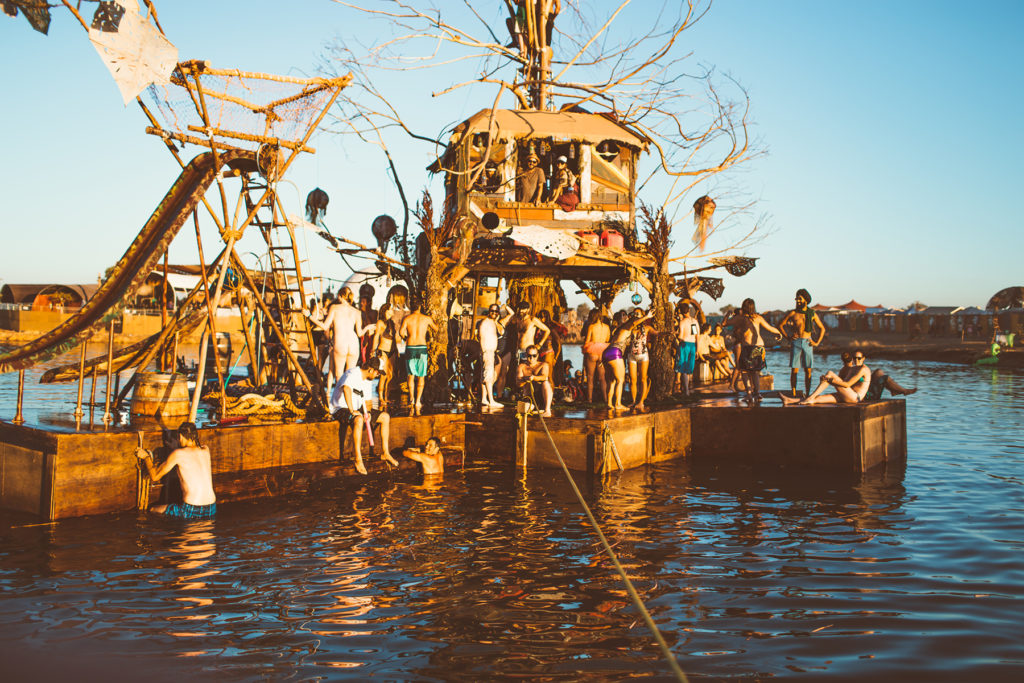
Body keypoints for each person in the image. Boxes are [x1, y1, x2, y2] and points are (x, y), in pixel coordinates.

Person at [135, 422, 216, 519]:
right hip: (211, 508)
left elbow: (155, 476)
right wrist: (176, 447)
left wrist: (146, 457)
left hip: (191, 509)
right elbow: (190, 453)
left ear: (181, 437)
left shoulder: (178, 454)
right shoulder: (205, 450)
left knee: (153, 510)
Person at [332, 357, 398, 474]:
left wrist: (368, 412)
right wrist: (352, 411)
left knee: (385, 417)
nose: (378, 375)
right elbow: (346, 389)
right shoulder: (352, 373)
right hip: (340, 408)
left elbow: (367, 402)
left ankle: (385, 453)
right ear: (371, 370)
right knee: (358, 419)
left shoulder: (368, 380)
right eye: (377, 372)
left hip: (357, 408)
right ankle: (358, 459)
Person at [304, 287, 371, 390]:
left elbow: (324, 326)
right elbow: (359, 333)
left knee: (339, 376)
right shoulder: (357, 312)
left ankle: (338, 401)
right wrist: (368, 328)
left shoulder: (334, 308)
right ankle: (348, 401)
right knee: (350, 376)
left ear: (340, 296)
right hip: (353, 344)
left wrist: (309, 316)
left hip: (341, 343)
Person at [726, 298, 782, 402]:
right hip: (760, 347)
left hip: (748, 346)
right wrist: (779, 333)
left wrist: (728, 314)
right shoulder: (758, 317)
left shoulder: (741, 318)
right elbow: (769, 327)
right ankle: (757, 393)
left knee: (744, 371)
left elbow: (724, 323)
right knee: (755, 372)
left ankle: (749, 393)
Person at [778, 288, 827, 396]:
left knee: (808, 371)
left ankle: (808, 394)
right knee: (794, 371)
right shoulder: (793, 313)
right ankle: (794, 394)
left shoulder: (812, 313)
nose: (797, 301)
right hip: (796, 342)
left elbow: (822, 328)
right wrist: (788, 337)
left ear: (806, 300)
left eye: (800, 299)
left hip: (808, 343)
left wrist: (817, 342)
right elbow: (780, 325)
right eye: (797, 299)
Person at [604, 309, 654, 410]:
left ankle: (609, 403)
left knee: (612, 381)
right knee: (620, 380)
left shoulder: (618, 328)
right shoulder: (627, 326)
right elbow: (634, 322)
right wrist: (646, 317)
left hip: (607, 352)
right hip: (615, 352)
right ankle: (618, 404)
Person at [782, 351, 870, 405]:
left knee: (830, 373)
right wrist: (828, 381)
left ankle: (810, 397)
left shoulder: (864, 369)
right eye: (854, 358)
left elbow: (847, 385)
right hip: (847, 395)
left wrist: (830, 380)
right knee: (817, 399)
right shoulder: (853, 368)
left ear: (863, 358)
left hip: (855, 398)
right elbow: (842, 383)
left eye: (859, 358)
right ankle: (789, 400)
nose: (856, 360)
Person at [399, 304, 437, 410]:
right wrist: (434, 319)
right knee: (421, 375)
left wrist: (406, 337)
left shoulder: (407, 318)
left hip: (410, 347)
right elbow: (436, 329)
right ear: (420, 306)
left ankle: (411, 398)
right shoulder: (426, 319)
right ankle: (418, 401)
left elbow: (401, 332)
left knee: (410, 375)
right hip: (421, 347)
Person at [477, 300, 514, 407]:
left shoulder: (494, 323)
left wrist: (504, 306)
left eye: (496, 311)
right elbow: (481, 337)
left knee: (485, 376)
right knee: (488, 375)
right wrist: (484, 351)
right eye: (492, 311)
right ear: (489, 311)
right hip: (487, 352)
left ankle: (484, 399)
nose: (494, 312)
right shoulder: (485, 323)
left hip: (490, 352)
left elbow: (510, 316)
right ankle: (492, 401)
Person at [626, 307, 657, 410]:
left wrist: (667, 333)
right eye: (634, 313)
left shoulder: (647, 328)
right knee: (632, 380)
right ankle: (634, 401)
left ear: (643, 315)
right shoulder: (631, 327)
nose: (635, 315)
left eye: (638, 313)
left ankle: (641, 402)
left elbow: (656, 333)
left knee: (643, 378)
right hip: (632, 355)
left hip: (643, 356)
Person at [674, 299, 706, 397]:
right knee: (689, 368)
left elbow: (681, 336)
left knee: (683, 369)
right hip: (693, 345)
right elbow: (697, 336)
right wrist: (697, 349)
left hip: (684, 344)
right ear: (688, 310)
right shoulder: (695, 321)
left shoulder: (682, 322)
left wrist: (674, 334)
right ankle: (687, 389)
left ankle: (686, 391)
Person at [582, 307, 610, 404]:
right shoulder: (606, 327)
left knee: (590, 377)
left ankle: (589, 400)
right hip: (603, 351)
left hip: (592, 350)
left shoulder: (591, 326)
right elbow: (607, 339)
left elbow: (587, 341)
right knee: (602, 378)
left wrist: (584, 348)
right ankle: (606, 399)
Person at [372, 302, 396, 409]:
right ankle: (381, 397)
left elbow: (394, 338)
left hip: (392, 351)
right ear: (385, 311)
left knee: (390, 375)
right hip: (383, 351)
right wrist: (373, 349)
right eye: (390, 309)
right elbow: (376, 336)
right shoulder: (380, 322)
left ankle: (386, 396)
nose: (392, 311)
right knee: (383, 375)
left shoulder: (392, 323)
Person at [517, 344, 553, 415]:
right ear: (526, 355)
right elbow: (518, 383)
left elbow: (544, 376)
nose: (532, 358)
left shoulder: (543, 365)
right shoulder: (521, 367)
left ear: (537, 355)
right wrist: (525, 379)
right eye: (529, 356)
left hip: (542, 396)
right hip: (529, 398)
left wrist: (534, 378)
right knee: (525, 410)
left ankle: (547, 410)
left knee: (546, 383)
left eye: (534, 355)